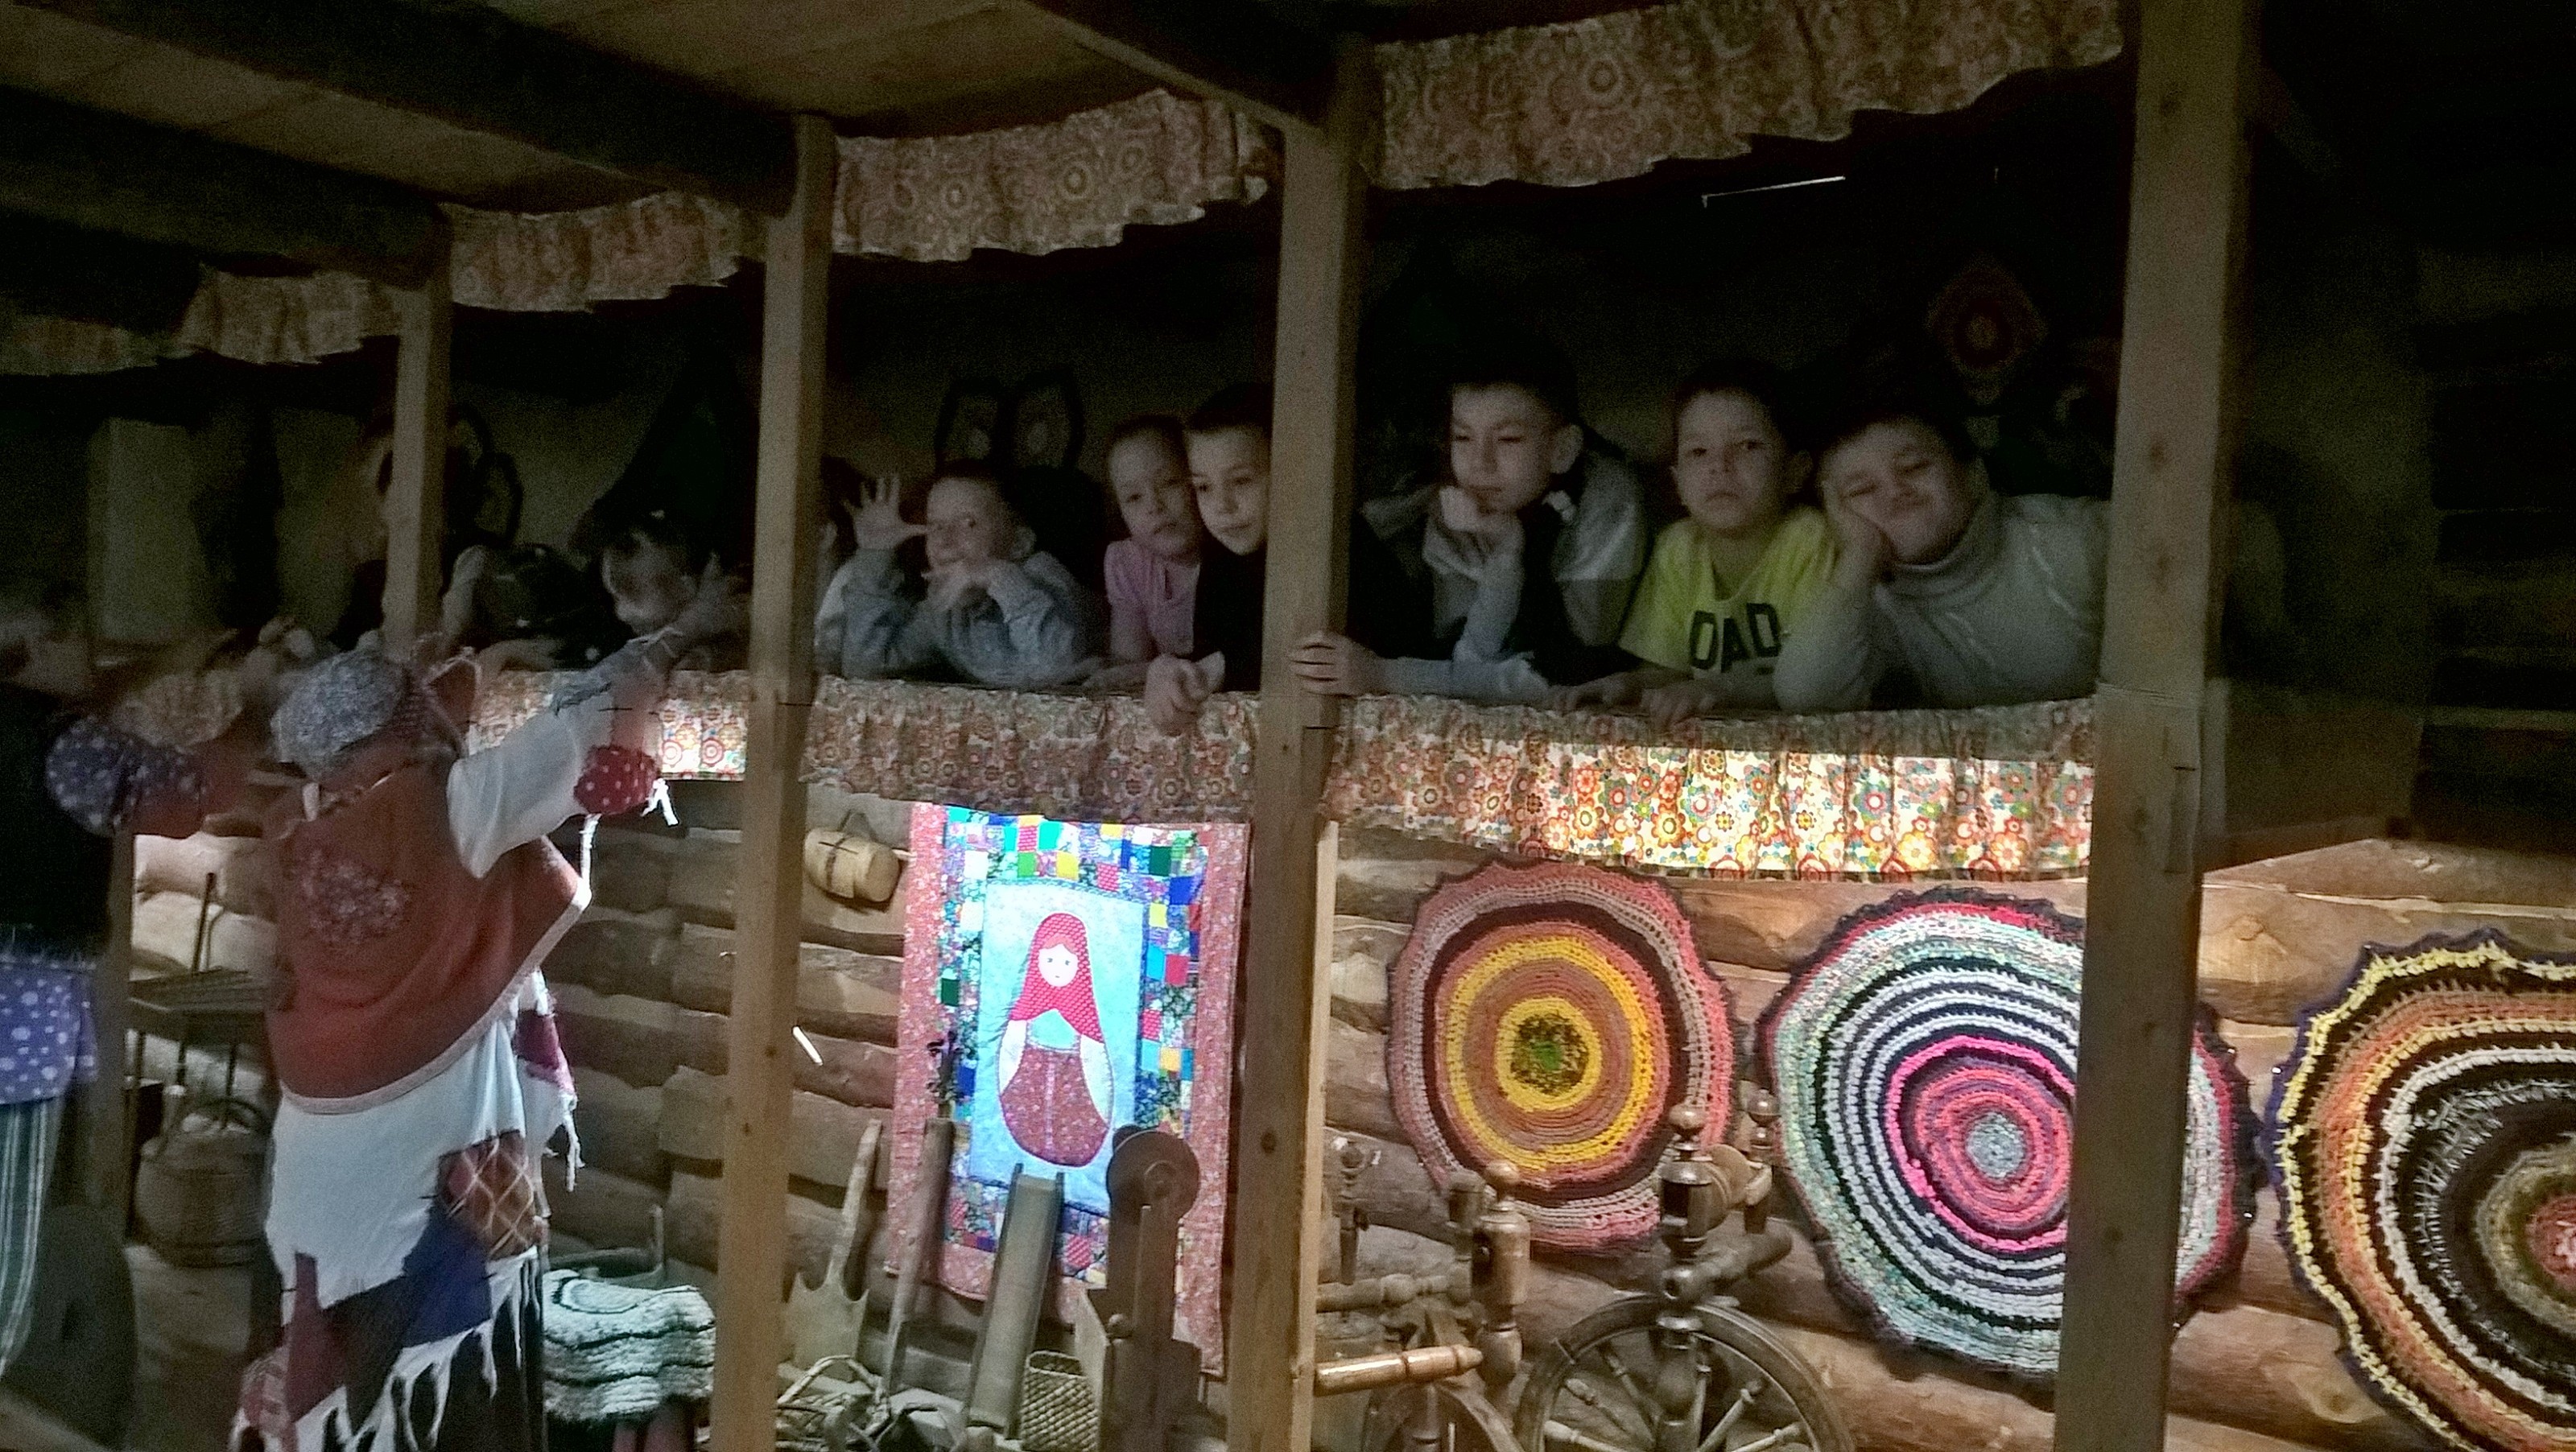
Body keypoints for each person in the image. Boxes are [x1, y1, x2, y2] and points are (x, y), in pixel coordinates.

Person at [239, 573, 740, 1452]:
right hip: (428, 1149)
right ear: (395, 732)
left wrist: (469, 667)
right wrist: (681, 633)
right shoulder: (450, 809)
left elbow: (419, 735)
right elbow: (578, 729)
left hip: (317, 1149)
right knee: (441, 1367)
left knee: (326, 1344)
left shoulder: (300, 821)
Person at [0, 584, 258, 1375]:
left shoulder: (43, 722)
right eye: (76, 641)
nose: (92, 657)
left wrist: (170, 660)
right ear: (32, 653)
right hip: (23, 994)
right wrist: (257, 711)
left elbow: (86, 691)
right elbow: (188, 800)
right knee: (9, 1200)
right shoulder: (70, 745)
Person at [1291, 350, 1648, 704]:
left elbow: (1566, 668)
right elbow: (1471, 658)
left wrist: (1385, 675)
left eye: (1508, 440)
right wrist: (1507, 550)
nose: (1480, 464)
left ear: (1562, 450)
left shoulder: (1608, 501)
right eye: (1462, 438)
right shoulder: (1456, 504)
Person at [1771, 398, 2107, 711]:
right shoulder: (1871, 605)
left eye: (1914, 467)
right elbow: (1806, 696)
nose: (1895, 491)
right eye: (1862, 490)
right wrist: (1859, 556)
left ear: (1974, 475)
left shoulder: (2076, 537)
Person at [1554, 361, 1838, 724]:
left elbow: (1818, 682)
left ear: (1794, 471)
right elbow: (1667, 669)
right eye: (1698, 452)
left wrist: (1720, 690)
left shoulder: (1810, 539)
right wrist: (1627, 685)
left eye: (1748, 446)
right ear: (1678, 482)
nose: (1720, 466)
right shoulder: (1678, 548)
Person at [1141, 386, 1427, 734]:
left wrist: (1220, 667)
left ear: (1291, 473)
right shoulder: (1220, 552)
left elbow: (1319, 650)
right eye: (1203, 487)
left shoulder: (1337, 537)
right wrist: (1167, 670)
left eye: (1241, 481)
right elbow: (1211, 650)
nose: (1221, 505)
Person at [815, 466, 1102, 690]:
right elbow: (865, 670)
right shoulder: (945, 609)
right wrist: (875, 555)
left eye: (968, 523)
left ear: (1019, 543)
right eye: (935, 525)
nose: (945, 540)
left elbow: (1056, 671)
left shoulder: (1045, 581)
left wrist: (997, 575)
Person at [1091, 416, 1201, 691]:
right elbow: (1128, 662)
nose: (1154, 505)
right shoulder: (1128, 561)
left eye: (1170, 482)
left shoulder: (1233, 554)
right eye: (1134, 497)